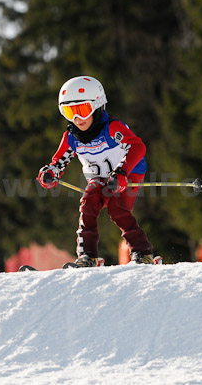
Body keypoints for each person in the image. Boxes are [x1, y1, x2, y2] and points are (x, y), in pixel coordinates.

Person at [37, 75, 154, 267]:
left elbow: (137, 146)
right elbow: (59, 160)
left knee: (118, 210)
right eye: (69, 112)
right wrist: (50, 173)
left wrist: (122, 172)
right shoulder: (71, 137)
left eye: (82, 110)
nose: (77, 118)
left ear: (97, 106)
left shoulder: (111, 129)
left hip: (127, 173)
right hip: (98, 177)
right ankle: (87, 256)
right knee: (88, 203)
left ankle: (143, 254)